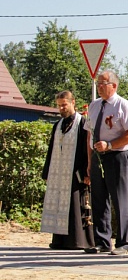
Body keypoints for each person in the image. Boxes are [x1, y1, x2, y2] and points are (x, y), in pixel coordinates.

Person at [84, 70, 128, 255]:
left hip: (117, 156)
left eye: (103, 83)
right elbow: (89, 133)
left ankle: (123, 242)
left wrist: (110, 144)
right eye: (98, 83)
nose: (99, 87)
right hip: (98, 156)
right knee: (99, 198)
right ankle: (102, 240)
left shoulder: (124, 106)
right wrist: (89, 161)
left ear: (113, 86)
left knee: (119, 198)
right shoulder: (94, 105)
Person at [41, 90, 94, 250]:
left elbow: (87, 149)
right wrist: (47, 172)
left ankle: (78, 241)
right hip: (59, 172)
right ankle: (59, 241)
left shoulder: (82, 123)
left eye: (64, 105)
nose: (61, 108)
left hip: (76, 171)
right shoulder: (58, 125)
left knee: (76, 206)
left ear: (73, 103)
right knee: (60, 205)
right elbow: (51, 150)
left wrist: (87, 171)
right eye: (59, 106)